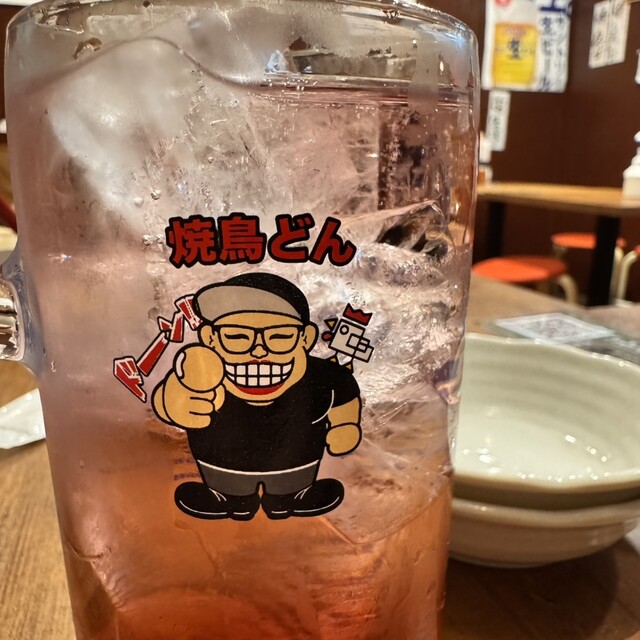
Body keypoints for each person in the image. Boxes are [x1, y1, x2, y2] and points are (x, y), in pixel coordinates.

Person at [153, 272, 363, 521]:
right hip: (221, 466)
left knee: (289, 491)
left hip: (297, 465)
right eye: (236, 337)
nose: (259, 350)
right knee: (230, 492)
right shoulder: (203, 373)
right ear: (210, 338)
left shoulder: (321, 376)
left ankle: (292, 496)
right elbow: (166, 400)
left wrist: (345, 425)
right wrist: (175, 403)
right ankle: (227, 498)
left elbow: (344, 390)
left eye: (280, 337)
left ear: (305, 338)